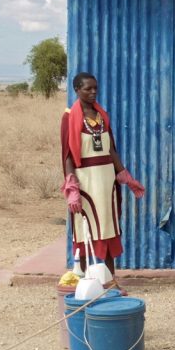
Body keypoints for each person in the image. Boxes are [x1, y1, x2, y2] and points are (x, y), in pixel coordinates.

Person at [60, 72, 145, 294]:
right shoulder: (69, 117)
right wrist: (71, 186)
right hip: (85, 181)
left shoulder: (101, 115)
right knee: (85, 229)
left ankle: (110, 282)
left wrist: (125, 175)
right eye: (87, 88)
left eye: (95, 88)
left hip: (106, 180)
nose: (93, 92)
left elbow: (110, 149)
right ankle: (84, 281)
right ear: (76, 90)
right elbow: (67, 155)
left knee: (107, 228)